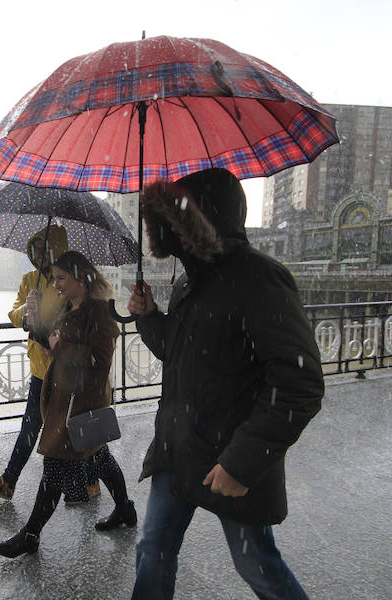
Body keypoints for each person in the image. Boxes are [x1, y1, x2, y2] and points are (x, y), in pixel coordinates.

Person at [126, 168, 324, 599]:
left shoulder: (260, 278)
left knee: (256, 565)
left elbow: (299, 381)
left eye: (181, 214)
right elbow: (179, 355)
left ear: (205, 216)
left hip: (229, 457)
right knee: (153, 549)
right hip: (177, 449)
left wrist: (243, 462)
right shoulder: (188, 281)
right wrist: (148, 317)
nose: (172, 228)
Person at [0, 250, 137, 558]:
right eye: (54, 278)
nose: (55, 284)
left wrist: (64, 347)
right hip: (66, 400)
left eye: (61, 278)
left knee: (54, 469)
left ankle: (30, 534)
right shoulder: (70, 307)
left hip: (81, 403)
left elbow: (100, 359)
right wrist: (32, 319)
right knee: (101, 460)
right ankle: (125, 509)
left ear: (81, 278)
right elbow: (51, 342)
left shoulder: (100, 312)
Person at [0, 226, 99, 504]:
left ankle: (90, 481)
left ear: (57, 249)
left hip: (65, 368)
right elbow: (14, 313)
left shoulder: (69, 280)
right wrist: (27, 313)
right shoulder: (29, 280)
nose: (40, 256)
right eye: (35, 250)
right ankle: (9, 481)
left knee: (76, 426)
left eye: (46, 250)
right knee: (32, 427)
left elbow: (77, 318)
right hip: (40, 370)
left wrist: (53, 330)